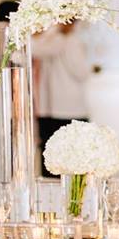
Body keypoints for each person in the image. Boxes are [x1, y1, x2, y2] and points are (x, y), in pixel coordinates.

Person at [33, 23, 90, 178]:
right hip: (70, 109)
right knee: (74, 164)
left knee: (52, 165)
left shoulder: (47, 39)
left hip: (48, 108)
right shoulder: (68, 41)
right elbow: (82, 72)